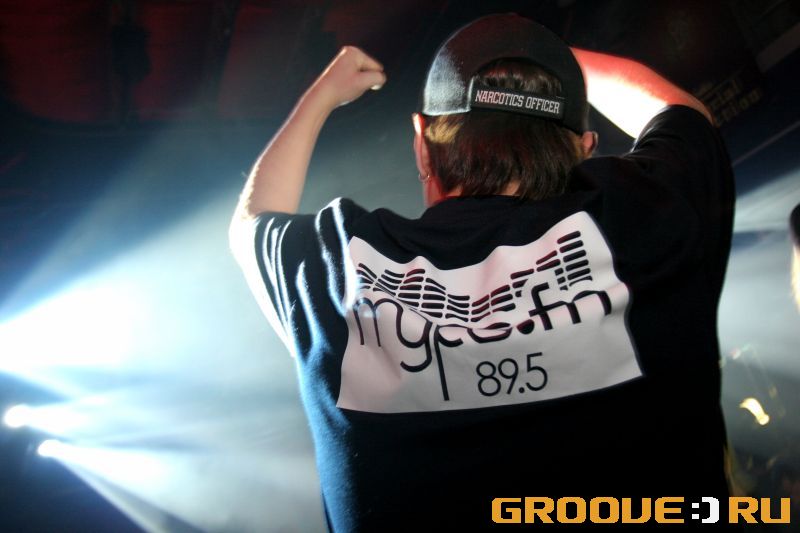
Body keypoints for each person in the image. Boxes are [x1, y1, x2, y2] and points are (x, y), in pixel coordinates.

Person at [230, 13, 734, 531]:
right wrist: (549, 58)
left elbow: (250, 224)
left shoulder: (344, 268)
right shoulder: (646, 216)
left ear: (422, 145)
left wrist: (323, 96)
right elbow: (683, 113)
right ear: (585, 149)